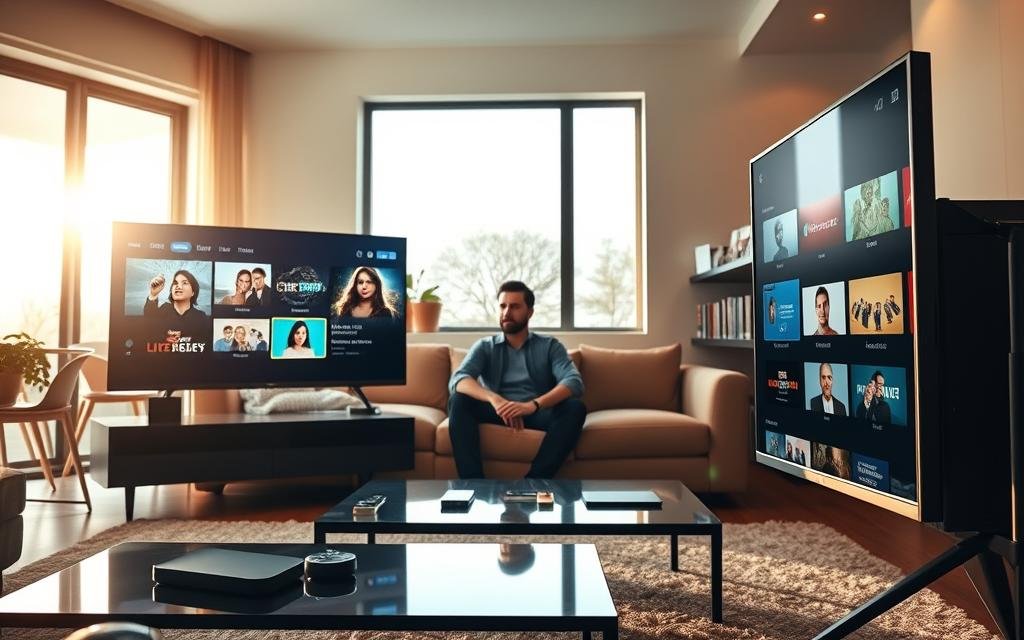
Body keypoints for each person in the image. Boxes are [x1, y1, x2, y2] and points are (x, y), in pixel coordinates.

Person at [447, 281, 585, 479]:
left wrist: (533, 405)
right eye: (503, 306)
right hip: (498, 411)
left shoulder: (550, 346)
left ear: (530, 312)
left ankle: (533, 483)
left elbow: (573, 382)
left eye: (515, 306)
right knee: (458, 401)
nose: (507, 312)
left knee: (575, 408)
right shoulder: (485, 346)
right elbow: (459, 379)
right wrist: (496, 400)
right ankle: (473, 484)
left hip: (536, 412)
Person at [142, 269, 208, 339]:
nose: (178, 286)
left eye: (185, 283)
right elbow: (149, 320)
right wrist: (153, 294)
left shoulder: (201, 317)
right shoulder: (164, 309)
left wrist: (182, 337)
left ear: (193, 292)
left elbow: (205, 342)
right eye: (175, 283)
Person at [332, 266, 398, 319]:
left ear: (377, 285)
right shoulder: (345, 309)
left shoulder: (386, 312)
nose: (364, 287)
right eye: (360, 282)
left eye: (369, 282)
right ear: (355, 285)